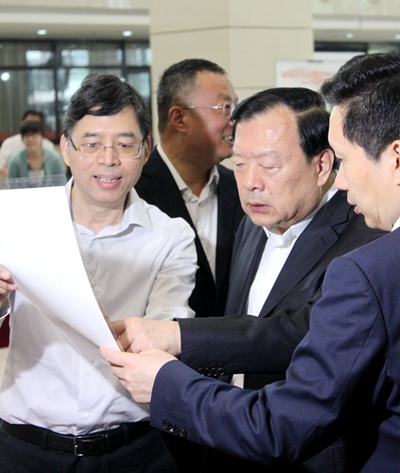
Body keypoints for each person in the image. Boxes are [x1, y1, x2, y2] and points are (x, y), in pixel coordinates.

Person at [100, 50, 400, 472]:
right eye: (239, 164)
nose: (251, 183)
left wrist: (172, 359)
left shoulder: (368, 248)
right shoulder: (250, 226)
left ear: (322, 165)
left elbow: (300, 336)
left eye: (270, 165)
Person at [0, 73, 198, 473]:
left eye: (124, 144)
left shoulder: (171, 236)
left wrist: (123, 334)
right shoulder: (17, 222)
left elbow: (167, 333)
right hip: (26, 448)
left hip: (135, 451)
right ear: (66, 149)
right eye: (91, 144)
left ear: (145, 150)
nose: (108, 159)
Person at [135, 58, 244, 319]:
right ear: (179, 118)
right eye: (225, 108)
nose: (235, 120)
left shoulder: (242, 188)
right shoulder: (133, 191)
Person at [0, 109, 55, 177]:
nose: (31, 126)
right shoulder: (9, 143)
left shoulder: (48, 146)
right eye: (29, 122)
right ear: (22, 124)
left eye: (35, 123)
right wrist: (16, 176)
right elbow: (0, 166)